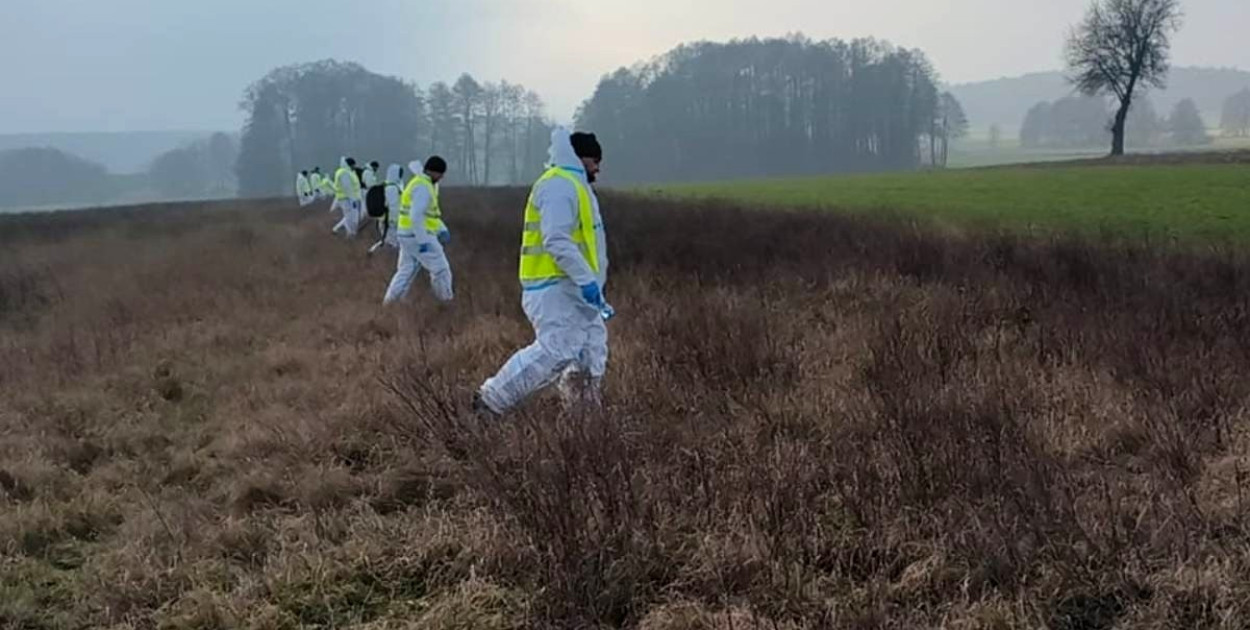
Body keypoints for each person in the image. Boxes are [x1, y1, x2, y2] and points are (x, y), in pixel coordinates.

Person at [475, 128, 610, 417]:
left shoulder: (576, 185)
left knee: (590, 356)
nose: (598, 167)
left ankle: (587, 424)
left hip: (579, 292)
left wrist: (593, 287)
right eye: (595, 160)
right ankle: (490, 402)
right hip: (554, 288)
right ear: (582, 158)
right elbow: (556, 239)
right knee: (556, 350)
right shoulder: (558, 186)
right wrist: (587, 280)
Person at [382, 157, 453, 305]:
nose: (441, 177)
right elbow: (416, 216)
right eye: (440, 174)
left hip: (406, 234)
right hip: (417, 236)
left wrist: (441, 228)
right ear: (432, 171)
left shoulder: (419, 183)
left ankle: (390, 303)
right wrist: (423, 241)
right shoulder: (423, 187)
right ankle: (445, 303)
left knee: (406, 270)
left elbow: (428, 215)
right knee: (440, 269)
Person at [368, 163, 404, 254]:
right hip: (390, 221)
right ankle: (375, 255)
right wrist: (395, 220)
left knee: (388, 241)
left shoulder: (387, 186)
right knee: (392, 244)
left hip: (386, 219)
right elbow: (393, 206)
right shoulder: (392, 188)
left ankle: (373, 253)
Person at [331, 157, 363, 237]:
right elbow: (347, 188)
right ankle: (350, 234)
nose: (354, 167)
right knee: (350, 217)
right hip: (347, 199)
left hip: (350, 198)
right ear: (350, 165)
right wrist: (353, 199)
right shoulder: (344, 173)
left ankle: (349, 232)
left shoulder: (348, 172)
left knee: (351, 216)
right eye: (353, 165)